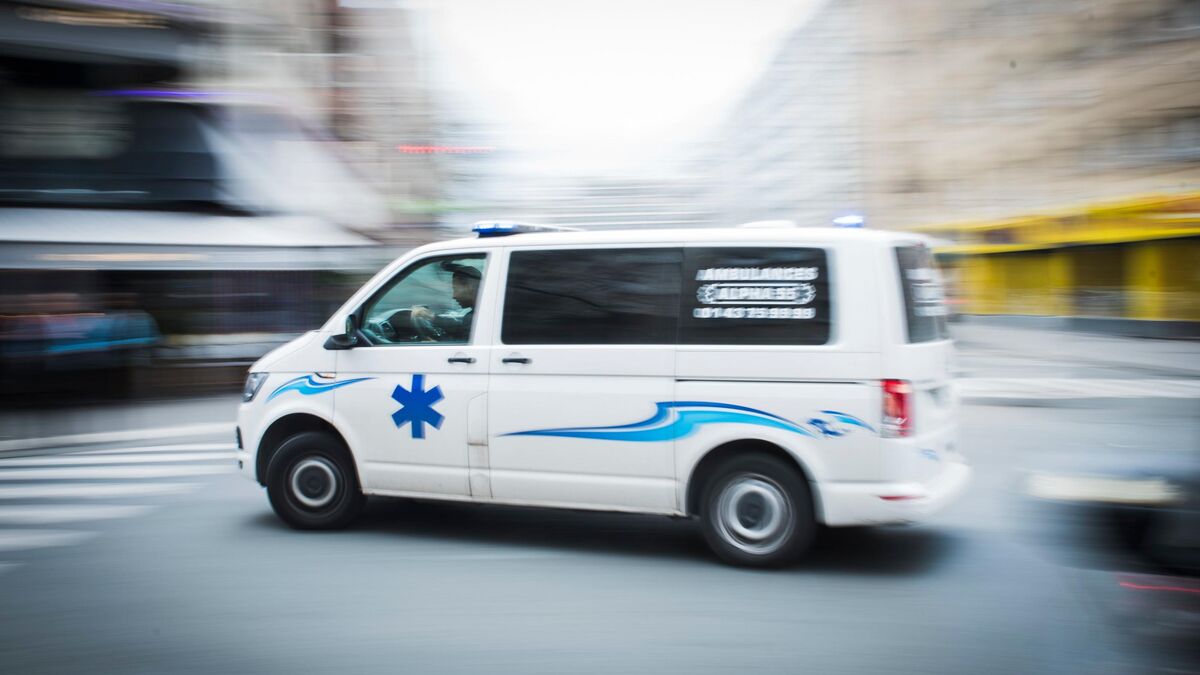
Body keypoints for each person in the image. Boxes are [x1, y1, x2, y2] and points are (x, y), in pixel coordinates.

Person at [410, 262, 480, 342]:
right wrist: (432, 316)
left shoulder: (473, 318)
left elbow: (460, 347)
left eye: (455, 289)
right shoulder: (475, 315)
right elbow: (458, 327)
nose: (454, 296)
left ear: (469, 287)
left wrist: (433, 343)